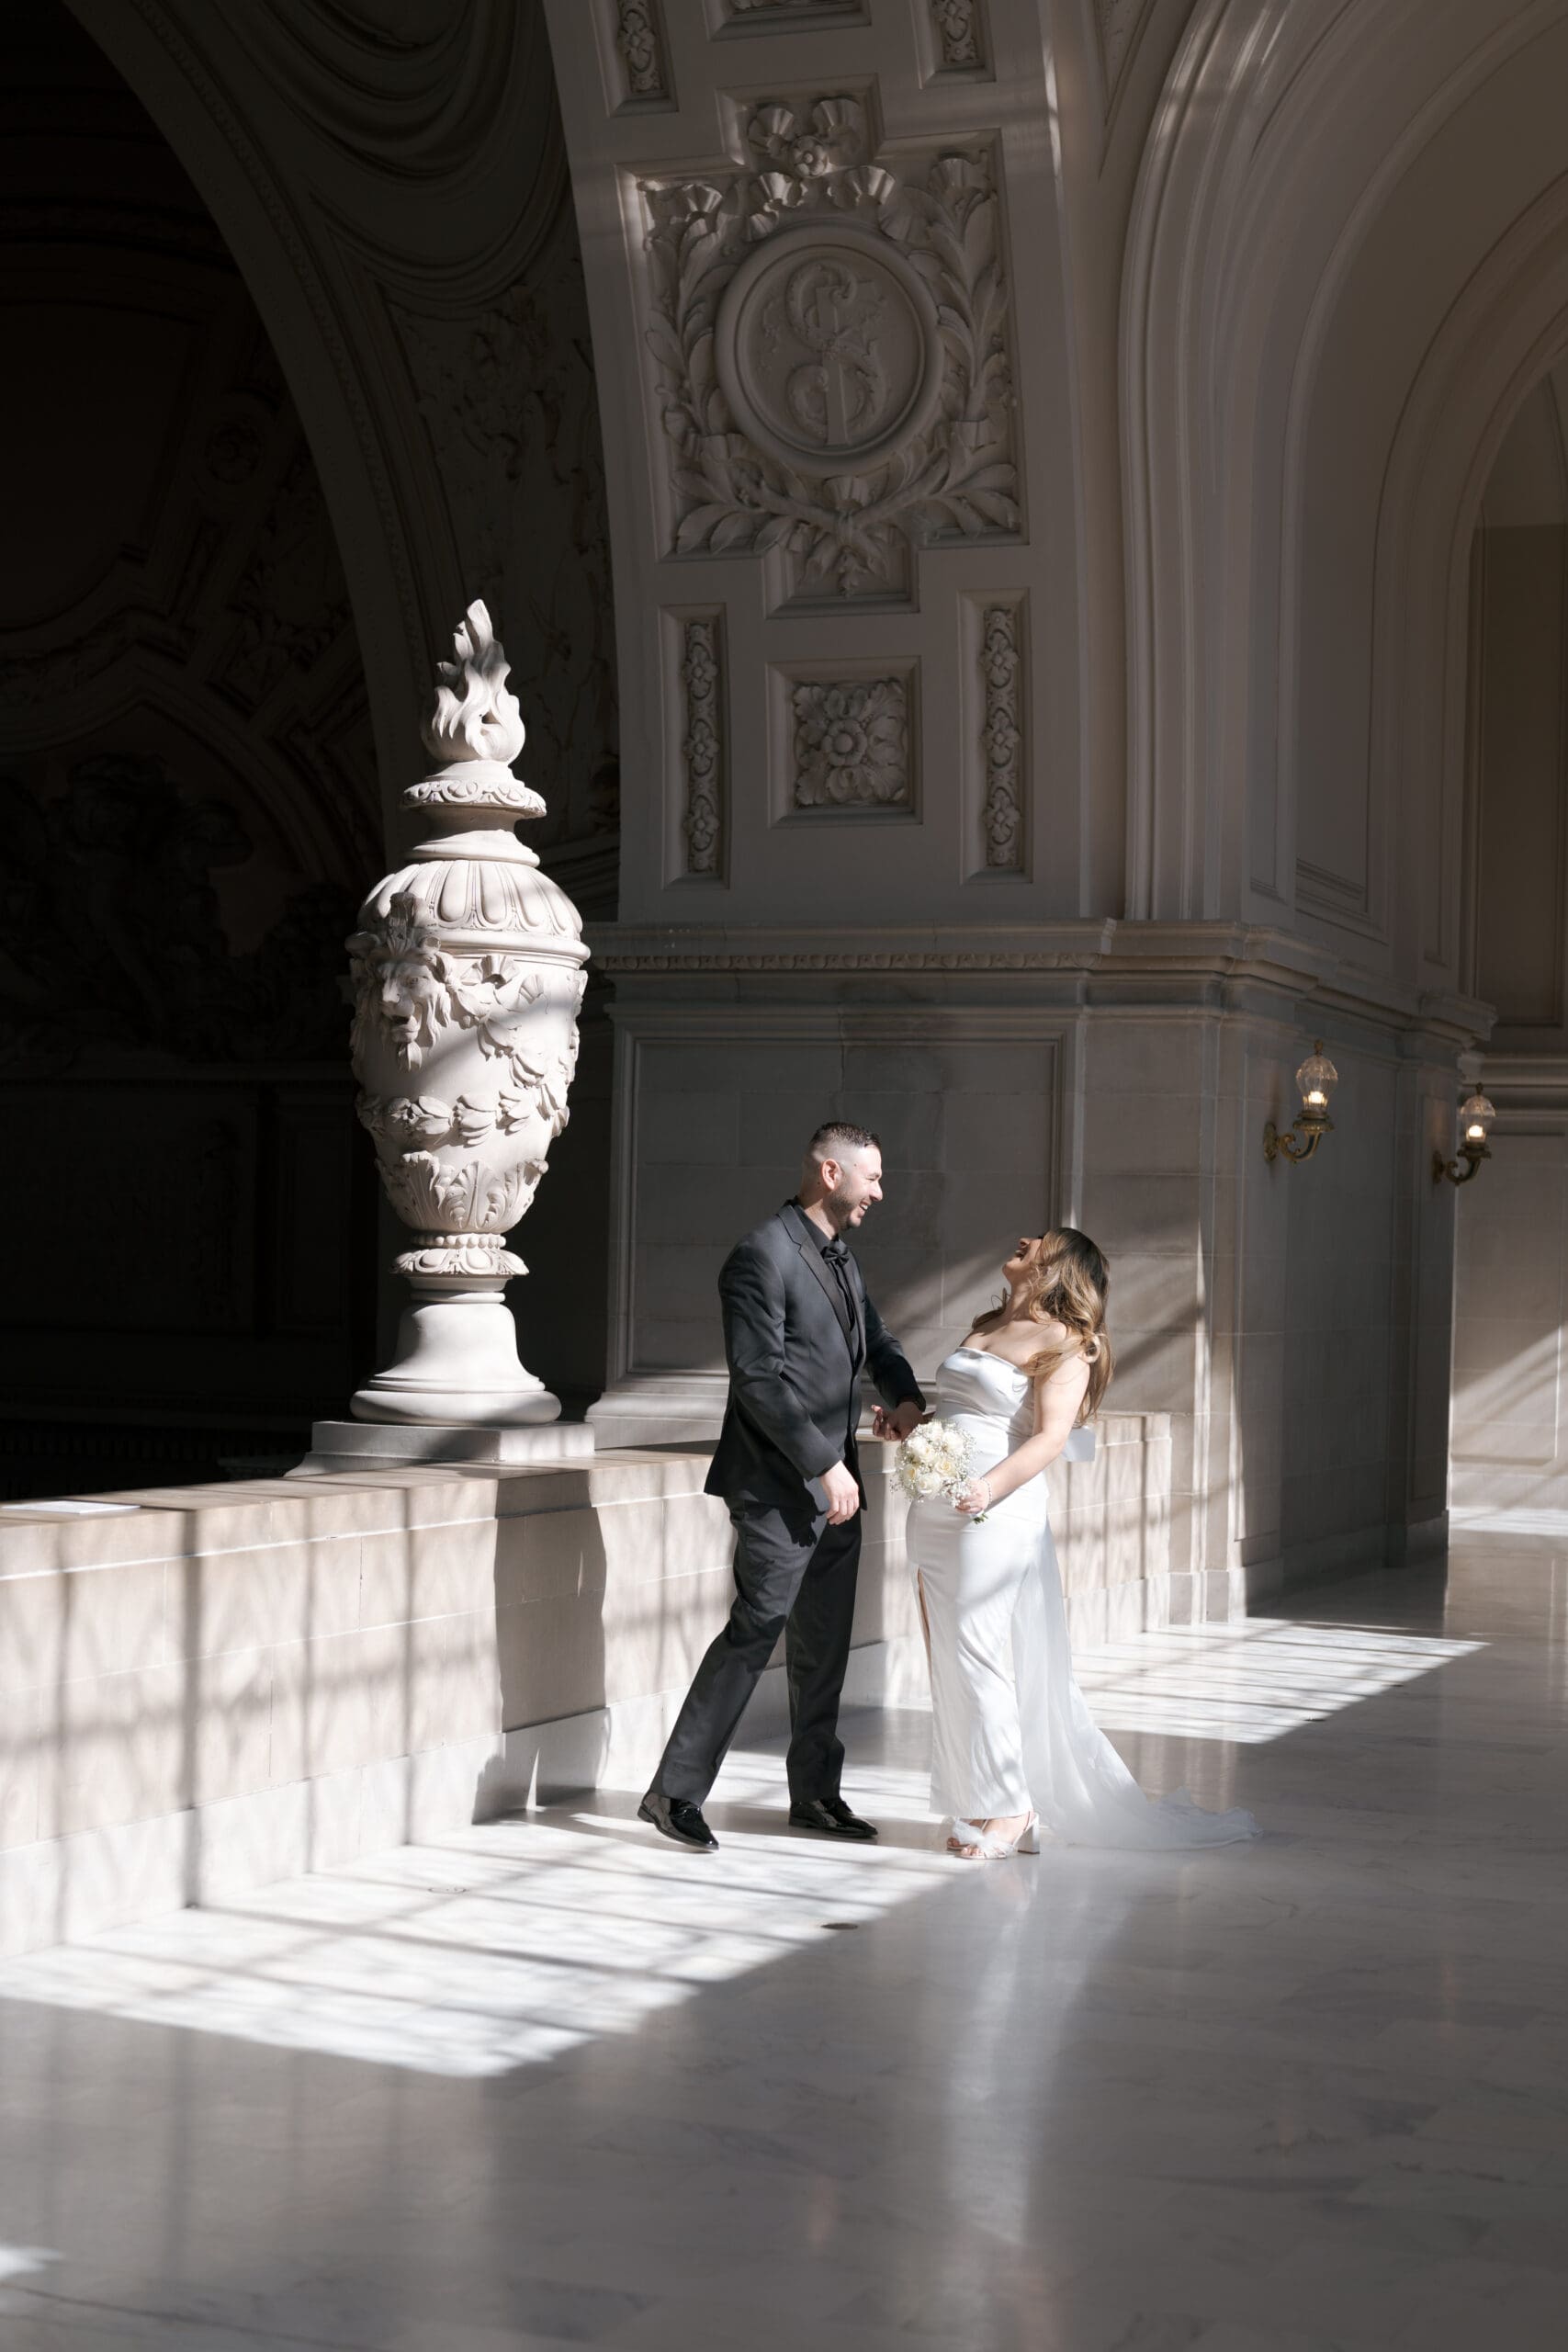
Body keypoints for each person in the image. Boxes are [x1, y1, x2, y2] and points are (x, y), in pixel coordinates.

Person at [905, 1228, 1258, 1859]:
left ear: (1061, 1266)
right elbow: (962, 1413)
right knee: (946, 1658)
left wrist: (986, 1490)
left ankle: (1012, 1809)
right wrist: (911, 1428)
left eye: (1038, 1240)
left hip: (994, 1509)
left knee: (978, 1655)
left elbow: (1047, 1437)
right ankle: (982, 1799)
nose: (1020, 1239)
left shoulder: (1068, 1344)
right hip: (936, 1503)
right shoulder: (985, 1325)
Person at [639, 1124, 926, 1852]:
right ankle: (674, 1793)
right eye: (872, 1177)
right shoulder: (760, 1254)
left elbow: (880, 1346)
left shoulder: (840, 1259)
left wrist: (906, 1402)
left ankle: (817, 1794)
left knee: (824, 1643)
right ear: (831, 1173)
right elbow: (757, 1379)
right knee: (755, 1630)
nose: (879, 1192)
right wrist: (819, 1464)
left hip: (839, 1486)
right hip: (777, 1485)